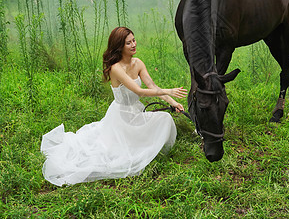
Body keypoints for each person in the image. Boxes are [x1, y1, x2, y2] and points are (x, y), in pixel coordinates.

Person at [41, 27, 187, 186]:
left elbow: (151, 85)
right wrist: (170, 91)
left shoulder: (138, 63)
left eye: (134, 40)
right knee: (114, 154)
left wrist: (173, 102)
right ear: (119, 47)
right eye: (128, 43)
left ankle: (152, 149)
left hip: (136, 111)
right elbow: (139, 91)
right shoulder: (116, 68)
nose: (133, 45)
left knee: (165, 118)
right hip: (121, 116)